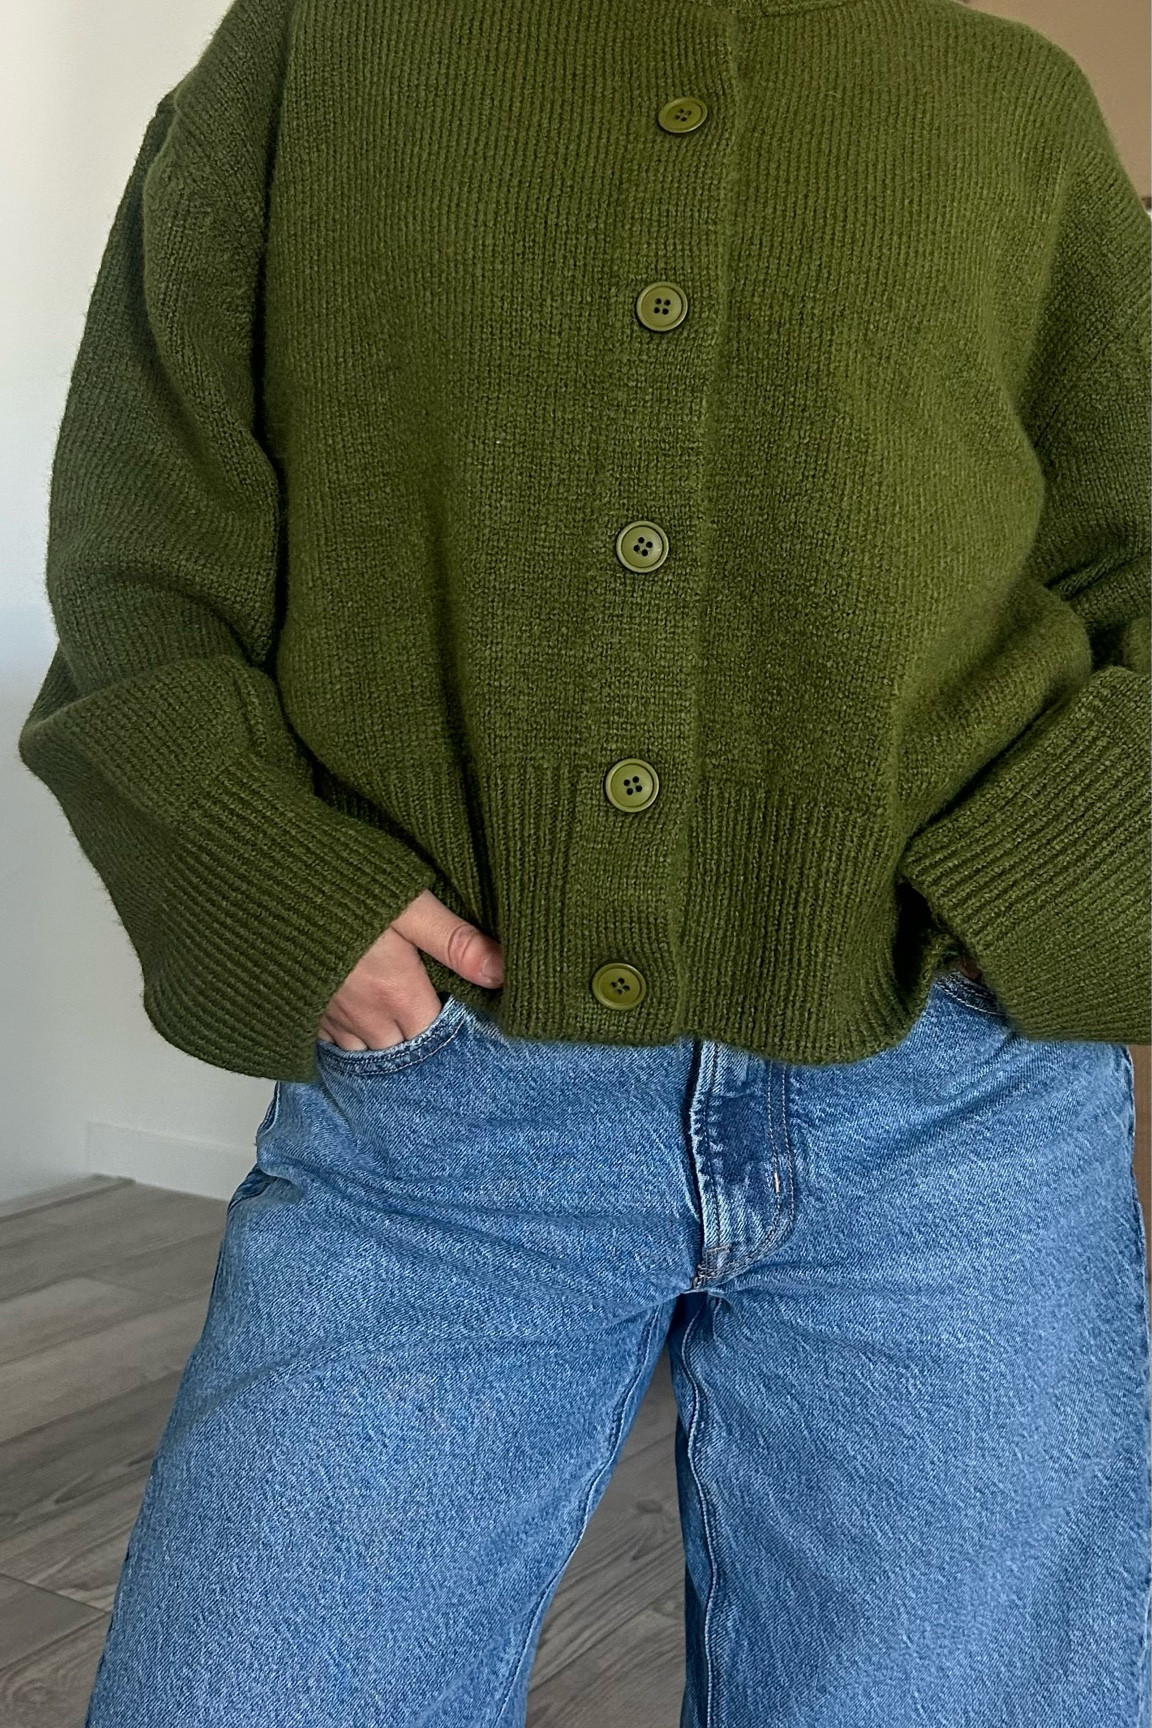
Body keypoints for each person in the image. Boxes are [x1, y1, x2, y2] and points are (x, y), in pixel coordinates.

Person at [18, 0, 1150, 1720]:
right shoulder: (317, 53)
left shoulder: (1014, 106)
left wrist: (1045, 884)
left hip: (948, 1109)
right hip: (442, 1121)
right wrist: (274, 881)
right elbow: (138, 542)